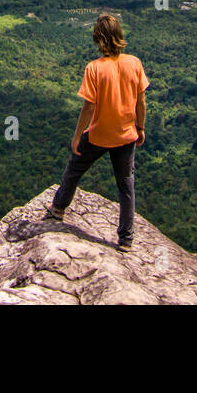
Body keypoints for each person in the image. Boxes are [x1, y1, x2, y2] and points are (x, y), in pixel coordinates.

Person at [46, 13, 149, 251]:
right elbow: (141, 101)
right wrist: (140, 127)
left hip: (99, 134)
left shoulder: (94, 68)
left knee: (74, 168)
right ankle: (126, 239)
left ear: (98, 39)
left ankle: (59, 208)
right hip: (126, 135)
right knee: (126, 184)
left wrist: (76, 136)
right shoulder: (134, 63)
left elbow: (89, 106)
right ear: (119, 36)